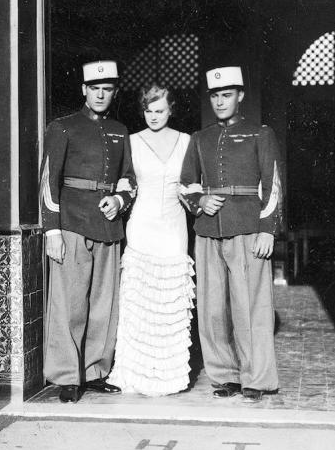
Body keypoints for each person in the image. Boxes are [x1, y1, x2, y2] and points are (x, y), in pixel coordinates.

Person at [179, 66, 282, 402]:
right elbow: (185, 183)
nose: (220, 101)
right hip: (208, 231)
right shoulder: (199, 138)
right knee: (212, 310)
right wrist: (200, 200)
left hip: (248, 228)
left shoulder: (260, 134)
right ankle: (225, 376)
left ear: (240, 96)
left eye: (227, 95)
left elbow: (273, 185)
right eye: (215, 96)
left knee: (251, 307)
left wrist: (267, 230)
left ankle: (257, 379)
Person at [40, 59, 137, 403]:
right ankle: (68, 376)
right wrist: (52, 231)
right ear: (84, 89)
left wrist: (120, 200)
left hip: (108, 226)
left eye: (106, 89)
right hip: (72, 224)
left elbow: (129, 177)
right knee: (70, 303)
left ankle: (94, 372)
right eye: (94, 88)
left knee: (102, 305)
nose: (100, 94)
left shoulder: (120, 130)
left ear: (114, 92)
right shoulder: (63, 127)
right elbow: (49, 182)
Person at [107, 84, 194, 395]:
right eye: (148, 111)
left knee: (169, 303)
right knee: (140, 304)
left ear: (171, 110)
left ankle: (168, 377)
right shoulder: (131, 141)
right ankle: (134, 374)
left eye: (160, 110)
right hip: (142, 225)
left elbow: (191, 184)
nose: (154, 116)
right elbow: (125, 182)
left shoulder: (186, 141)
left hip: (173, 227)